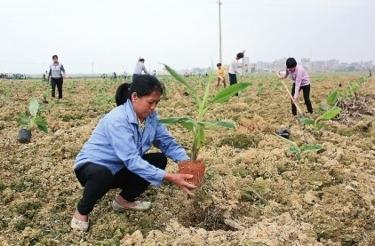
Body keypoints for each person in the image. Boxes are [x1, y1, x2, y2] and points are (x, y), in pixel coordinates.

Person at [70, 75, 196, 231]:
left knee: (158, 159)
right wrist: (169, 177)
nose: (153, 107)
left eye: (157, 103)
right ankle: (81, 212)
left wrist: (187, 163)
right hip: (93, 168)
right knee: (102, 174)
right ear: (135, 97)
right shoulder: (117, 119)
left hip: (121, 167)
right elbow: (132, 160)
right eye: (150, 102)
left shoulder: (151, 118)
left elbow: (167, 143)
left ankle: (123, 201)